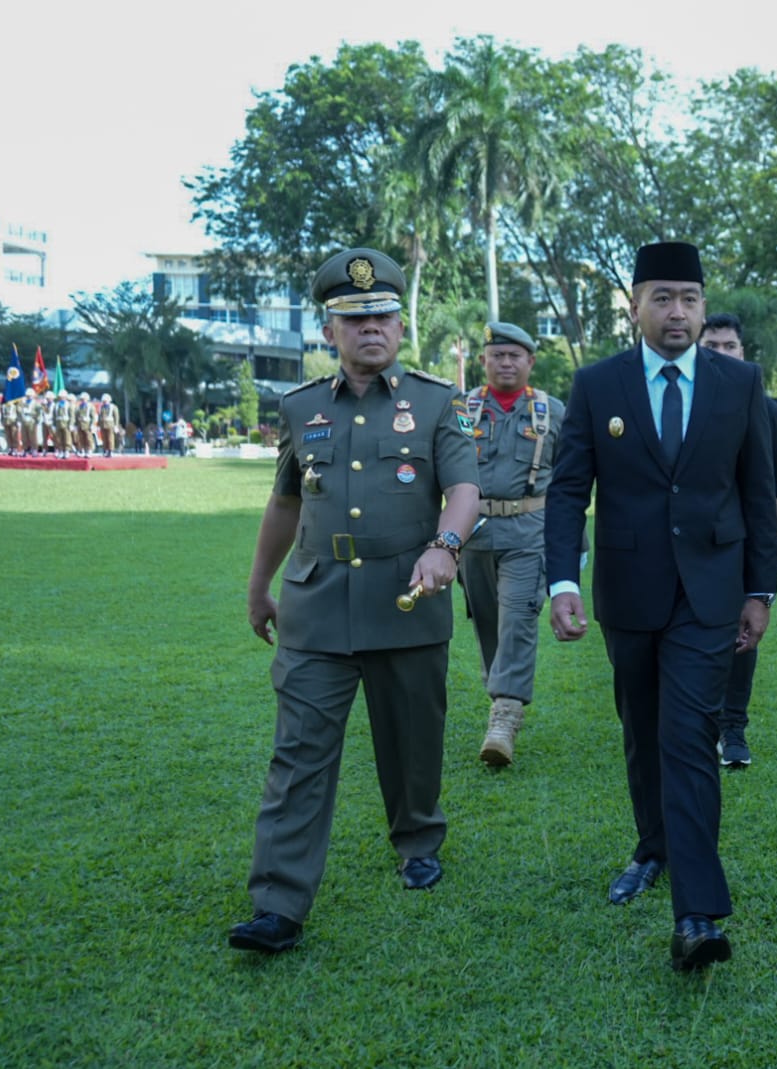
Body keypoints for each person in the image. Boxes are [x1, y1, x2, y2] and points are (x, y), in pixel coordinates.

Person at [228, 247, 480, 954]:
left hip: (409, 598)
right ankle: (278, 900)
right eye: (355, 317)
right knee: (299, 754)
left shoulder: (436, 403)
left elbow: (463, 489)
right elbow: (283, 506)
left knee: (413, 745)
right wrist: (259, 586)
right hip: (316, 605)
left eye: (384, 316)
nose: (372, 328)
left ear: (402, 325)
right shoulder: (300, 407)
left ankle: (417, 836)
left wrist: (446, 546)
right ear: (331, 331)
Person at [544, 241, 777, 972]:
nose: (677, 312)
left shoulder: (739, 383)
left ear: (703, 307)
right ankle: (652, 848)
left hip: (709, 593)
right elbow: (566, 490)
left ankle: (697, 913)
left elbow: (757, 493)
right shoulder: (597, 384)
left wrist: (759, 590)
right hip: (629, 591)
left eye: (689, 298)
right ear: (636, 305)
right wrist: (562, 581)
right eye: (662, 297)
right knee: (642, 731)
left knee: (686, 736)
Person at [458, 321, 565, 767]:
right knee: (487, 624)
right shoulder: (462, 409)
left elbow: (572, 481)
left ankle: (504, 716)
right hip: (473, 534)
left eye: (514, 355)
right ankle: (499, 691)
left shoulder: (553, 411)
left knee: (517, 620)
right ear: (484, 361)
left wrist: (570, 544)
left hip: (529, 533)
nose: (505, 362)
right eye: (497, 355)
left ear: (530, 362)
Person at [699, 312, 777, 769]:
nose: (719, 355)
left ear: (743, 352)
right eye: (710, 346)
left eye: (728, 346)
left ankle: (733, 728)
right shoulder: (677, 397)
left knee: (742, 632)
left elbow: (776, 481)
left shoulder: (760, 403)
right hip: (690, 542)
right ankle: (696, 723)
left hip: (740, 541)